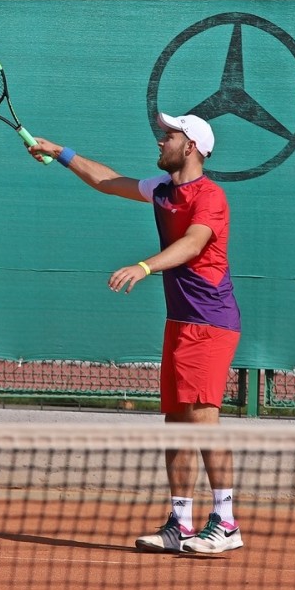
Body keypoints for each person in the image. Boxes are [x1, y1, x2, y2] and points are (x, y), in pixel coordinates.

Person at [27, 112, 243, 554]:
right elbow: (107, 181)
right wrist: (60, 152)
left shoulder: (210, 196)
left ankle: (226, 522)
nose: (161, 141)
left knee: (203, 419)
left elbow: (194, 243)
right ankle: (180, 524)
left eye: (169, 136)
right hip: (180, 321)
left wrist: (144, 266)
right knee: (177, 422)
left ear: (191, 147)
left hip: (210, 321)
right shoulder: (162, 189)